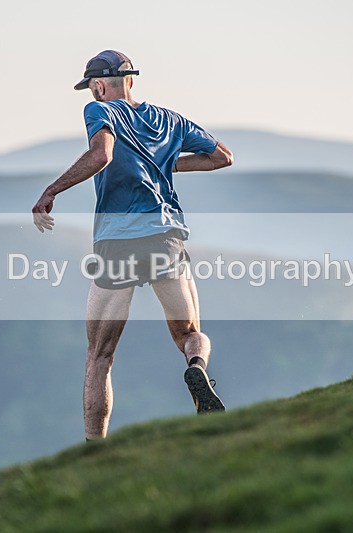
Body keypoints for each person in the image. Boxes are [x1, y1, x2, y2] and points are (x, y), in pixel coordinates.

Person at [32, 50, 234, 441]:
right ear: (132, 80)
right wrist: (164, 162)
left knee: (99, 356)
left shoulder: (100, 111)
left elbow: (102, 154)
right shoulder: (170, 119)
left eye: (92, 90)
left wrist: (51, 190)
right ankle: (196, 366)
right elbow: (221, 157)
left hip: (118, 240)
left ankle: (95, 449)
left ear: (99, 85)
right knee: (190, 333)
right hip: (165, 234)